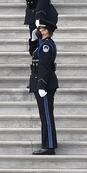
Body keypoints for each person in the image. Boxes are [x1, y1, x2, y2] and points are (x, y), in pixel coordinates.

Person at [29, 21, 59, 155]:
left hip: (45, 85)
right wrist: (32, 40)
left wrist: (41, 85)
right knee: (44, 115)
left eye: (40, 29)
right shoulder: (42, 45)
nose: (38, 31)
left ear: (46, 31)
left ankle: (49, 146)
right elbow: (34, 54)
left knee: (46, 115)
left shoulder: (47, 45)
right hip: (41, 83)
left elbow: (45, 67)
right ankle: (48, 142)